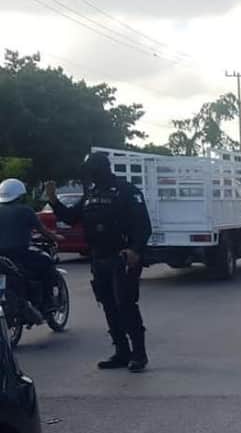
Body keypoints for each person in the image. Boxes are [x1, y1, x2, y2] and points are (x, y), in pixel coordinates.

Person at [46, 152, 152, 372]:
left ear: (102, 168)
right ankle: (122, 352)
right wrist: (54, 201)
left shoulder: (126, 191)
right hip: (99, 258)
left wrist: (135, 250)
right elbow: (71, 217)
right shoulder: (91, 194)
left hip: (122, 257)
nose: (90, 174)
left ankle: (139, 354)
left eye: (92, 169)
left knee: (125, 305)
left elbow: (143, 225)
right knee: (109, 306)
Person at [0, 179, 62, 314]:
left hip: (1, 256)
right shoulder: (25, 211)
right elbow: (43, 230)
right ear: (20, 195)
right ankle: (48, 301)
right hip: (20, 254)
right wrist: (56, 237)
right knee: (47, 262)